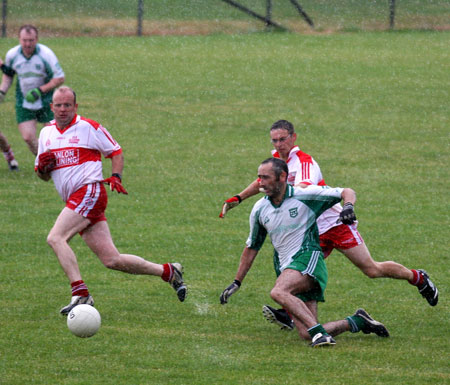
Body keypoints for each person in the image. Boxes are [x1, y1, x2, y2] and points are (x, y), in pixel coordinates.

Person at [220, 119, 438, 330]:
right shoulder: (277, 160)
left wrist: (347, 206)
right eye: (274, 140)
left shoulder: (304, 163)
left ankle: (417, 277)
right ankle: (292, 315)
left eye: (282, 139)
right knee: (294, 269)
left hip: (334, 223)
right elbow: (263, 180)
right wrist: (238, 198)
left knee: (371, 269)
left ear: (294, 137)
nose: (278, 145)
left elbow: (301, 192)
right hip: (310, 231)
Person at [35, 86, 187, 315]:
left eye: (68, 105)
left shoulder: (88, 127)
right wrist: (44, 169)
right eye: (59, 105)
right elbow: (43, 176)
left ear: (76, 107)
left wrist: (116, 176)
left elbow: (115, 151)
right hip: (77, 200)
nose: (63, 109)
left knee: (56, 237)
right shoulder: (46, 134)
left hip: (89, 192)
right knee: (111, 260)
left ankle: (81, 293)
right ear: (51, 107)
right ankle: (168, 272)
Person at [220, 158, 389, 347]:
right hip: (286, 268)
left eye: (266, 177)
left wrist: (348, 206)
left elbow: (346, 192)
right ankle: (357, 321)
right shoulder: (259, 209)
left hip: (309, 260)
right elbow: (252, 247)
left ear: (282, 177)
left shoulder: (305, 195)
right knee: (305, 333)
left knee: (278, 291)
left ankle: (321, 336)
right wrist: (237, 281)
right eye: (259, 177)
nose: (261, 182)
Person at [0, 24, 65, 156]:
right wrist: (2, 92)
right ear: (19, 39)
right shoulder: (12, 55)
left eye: (31, 40)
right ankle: (43, 162)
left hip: (46, 101)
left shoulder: (46, 54)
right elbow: (8, 75)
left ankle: (54, 161)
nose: (28, 44)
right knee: (28, 138)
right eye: (24, 40)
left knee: (52, 138)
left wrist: (40, 90)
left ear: (37, 39)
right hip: (24, 101)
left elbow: (60, 77)